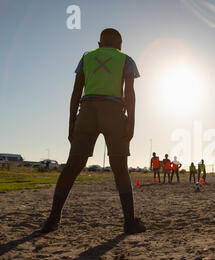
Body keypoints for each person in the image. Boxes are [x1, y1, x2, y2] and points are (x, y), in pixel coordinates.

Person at [40, 28, 146, 235]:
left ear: (99, 44)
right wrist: (131, 122)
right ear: (120, 45)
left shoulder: (86, 57)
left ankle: (52, 220)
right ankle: (129, 222)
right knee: (120, 168)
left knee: (72, 166)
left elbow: (76, 91)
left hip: (86, 111)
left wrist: (71, 122)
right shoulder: (126, 59)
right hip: (114, 112)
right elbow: (130, 94)